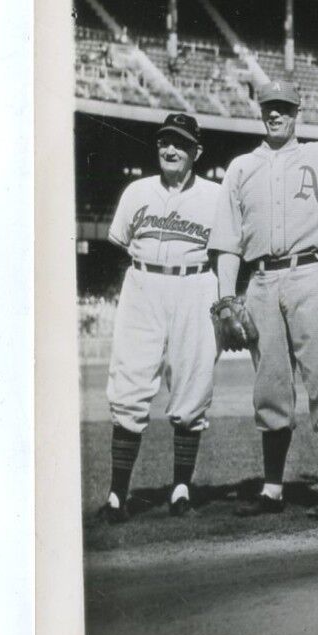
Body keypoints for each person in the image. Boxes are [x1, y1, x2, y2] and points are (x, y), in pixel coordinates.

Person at [209, 75, 318, 518]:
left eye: (283, 106)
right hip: (262, 279)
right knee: (270, 385)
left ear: (296, 112)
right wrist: (227, 297)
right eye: (268, 105)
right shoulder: (241, 168)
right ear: (260, 110)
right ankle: (271, 488)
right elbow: (227, 241)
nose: (275, 112)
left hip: (314, 272)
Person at [98, 112, 221, 522]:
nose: (170, 149)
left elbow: (229, 251)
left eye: (181, 144)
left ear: (196, 152)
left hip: (196, 284)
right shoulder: (137, 191)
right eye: (165, 141)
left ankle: (181, 490)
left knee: (191, 384)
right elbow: (117, 244)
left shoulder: (215, 196)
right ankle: (117, 495)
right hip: (144, 283)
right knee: (130, 381)